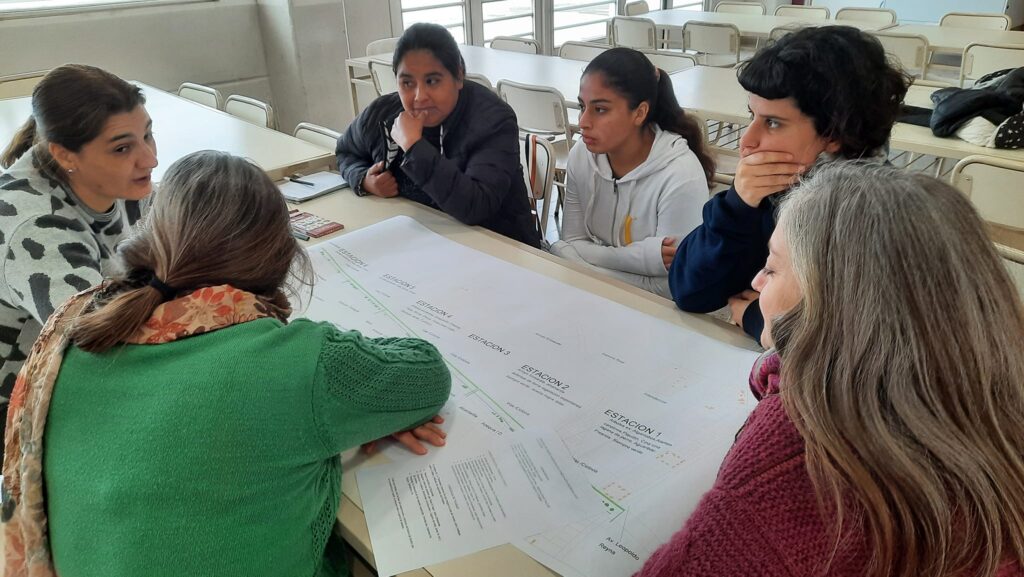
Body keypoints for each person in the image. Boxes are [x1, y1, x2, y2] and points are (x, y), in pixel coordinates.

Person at [2, 151, 453, 577]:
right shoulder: (295, 362)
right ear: (280, 257)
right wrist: (361, 400)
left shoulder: (78, 333)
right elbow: (427, 373)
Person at [635, 163, 1024, 577]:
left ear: (830, 304)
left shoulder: (799, 446)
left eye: (772, 267)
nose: (758, 281)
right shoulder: (989, 407)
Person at [667, 26, 911, 342]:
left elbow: (867, 339)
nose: (746, 141)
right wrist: (737, 206)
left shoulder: (875, 215)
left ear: (834, 134)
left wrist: (760, 320)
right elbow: (689, 292)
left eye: (772, 123)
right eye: (752, 116)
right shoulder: (774, 189)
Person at [0, 64, 157, 440]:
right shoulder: (36, 228)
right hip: (17, 406)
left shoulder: (111, 180)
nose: (149, 159)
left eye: (148, 135)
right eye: (122, 148)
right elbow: (100, 339)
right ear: (65, 155)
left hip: (68, 376)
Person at [336, 23, 541, 248]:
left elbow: (476, 206)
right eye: (407, 83)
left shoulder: (493, 120)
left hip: (500, 248)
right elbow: (346, 151)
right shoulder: (382, 113)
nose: (419, 96)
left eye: (432, 81)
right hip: (421, 242)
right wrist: (364, 180)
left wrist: (413, 146)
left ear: (458, 76)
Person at [549, 48, 714, 299]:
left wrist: (577, 256)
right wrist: (648, 258)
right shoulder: (581, 154)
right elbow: (571, 241)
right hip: (588, 298)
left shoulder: (681, 175)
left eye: (600, 109)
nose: (583, 122)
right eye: (582, 106)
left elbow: (671, 287)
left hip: (655, 313)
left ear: (640, 112)